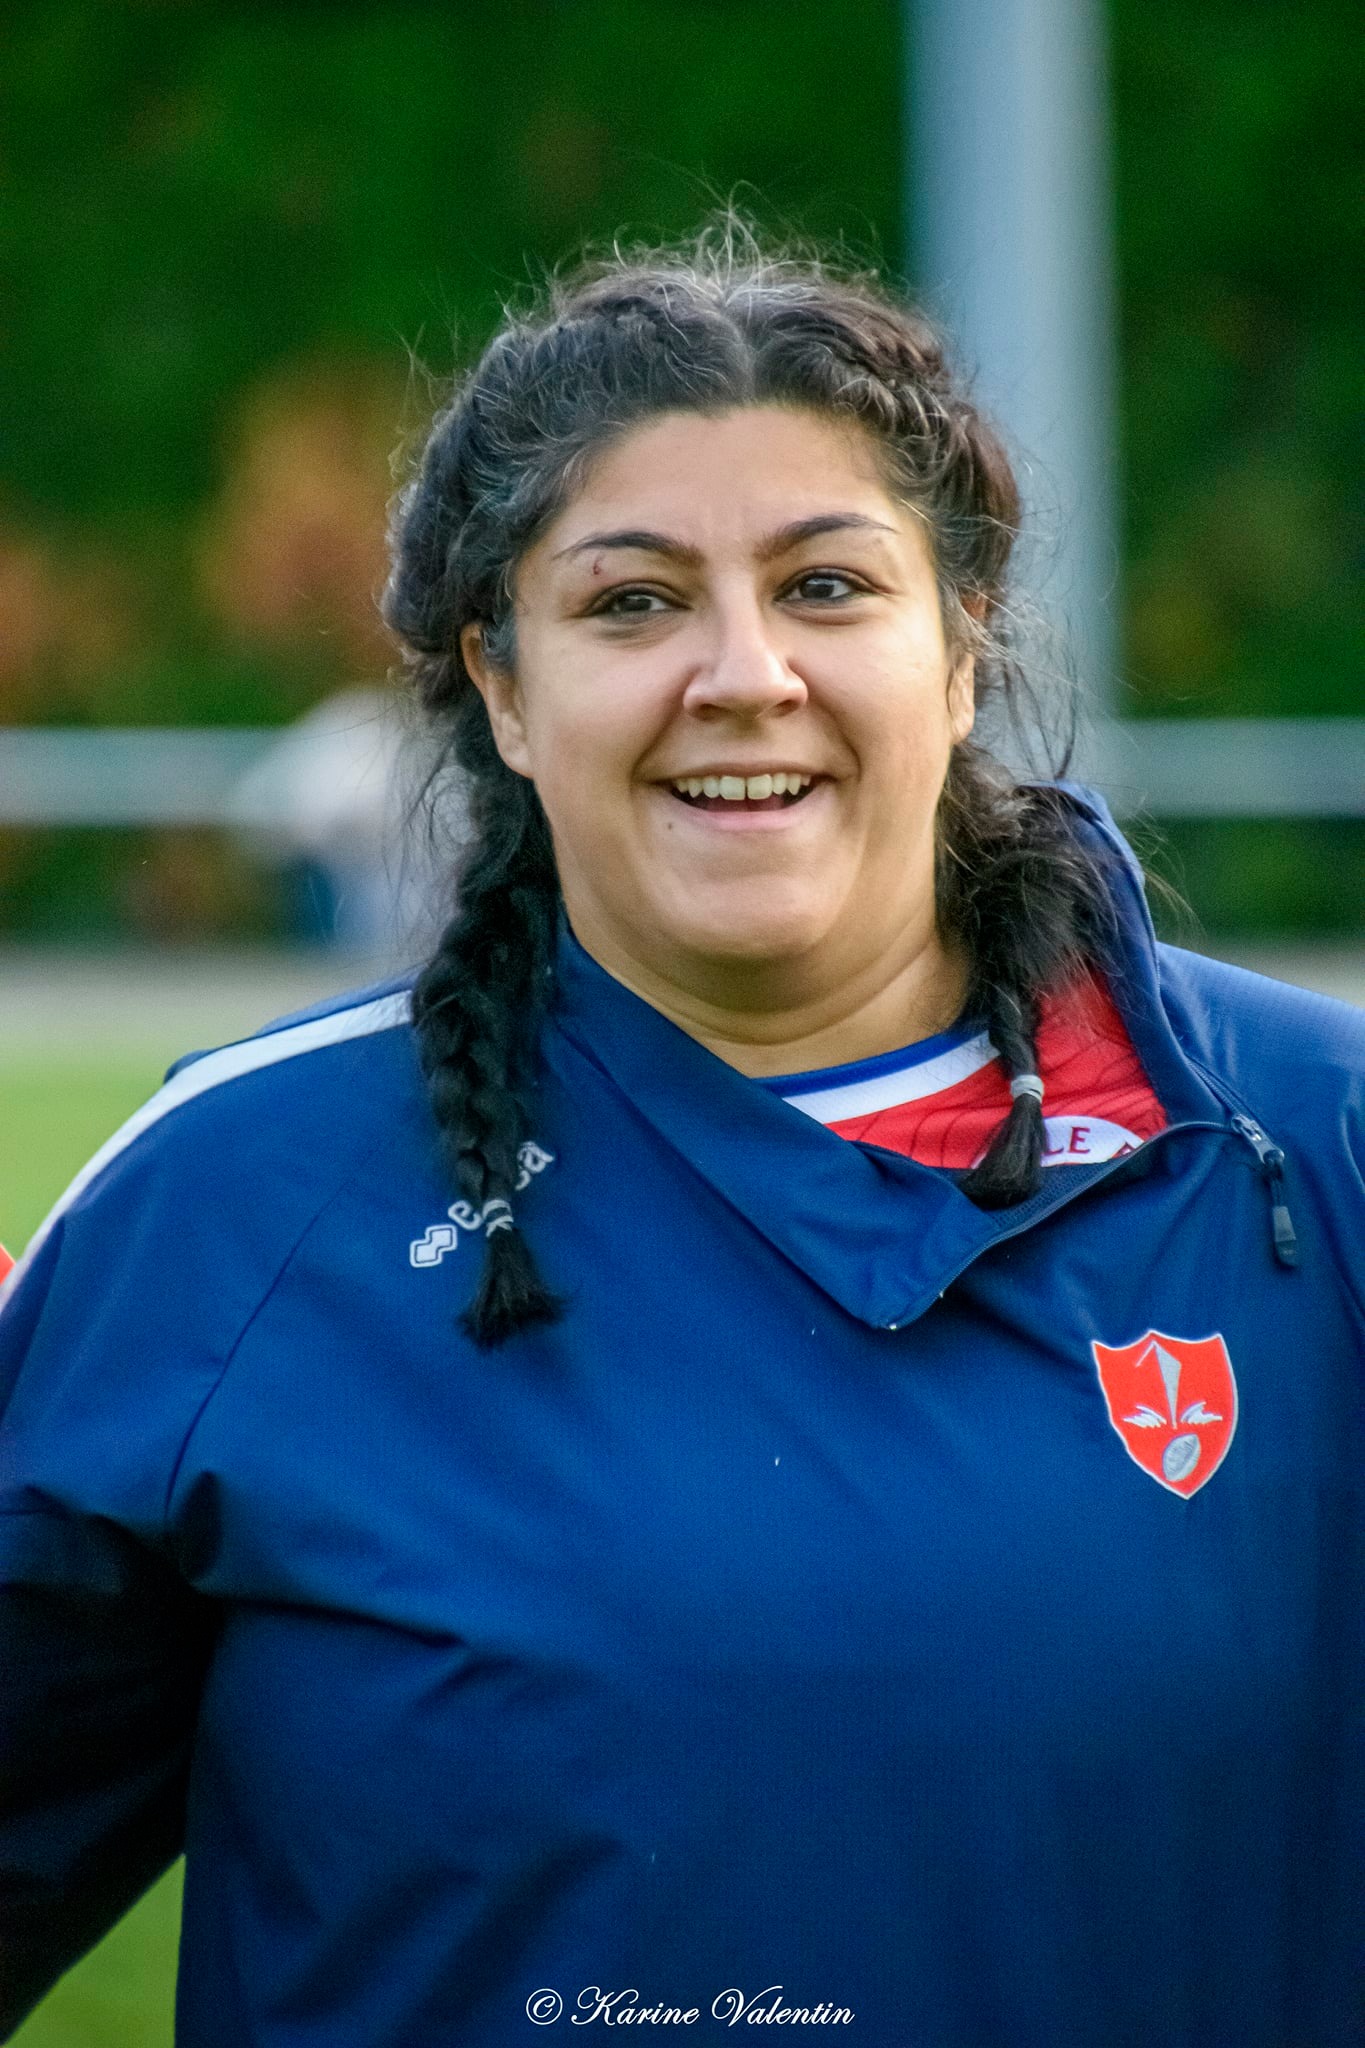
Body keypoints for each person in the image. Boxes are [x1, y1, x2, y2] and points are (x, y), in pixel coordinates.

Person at [2, 230, 1362, 2048]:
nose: (742, 672)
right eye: (633, 603)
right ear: (502, 686)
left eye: (825, 586)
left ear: (959, 648)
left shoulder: (1309, 1148)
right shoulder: (232, 1203)